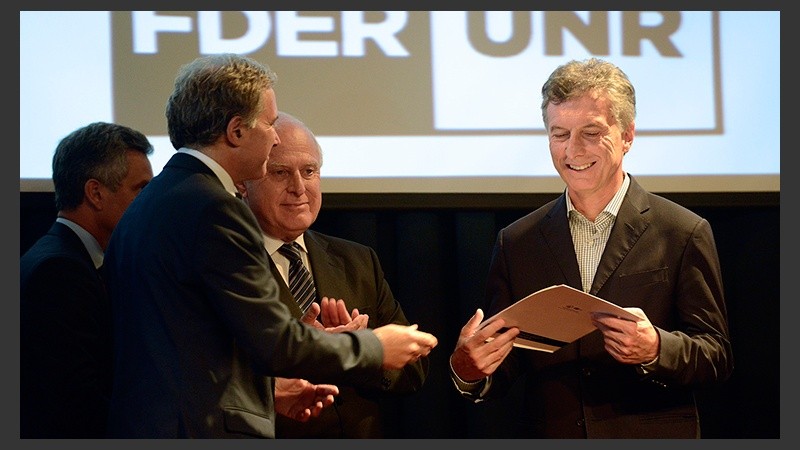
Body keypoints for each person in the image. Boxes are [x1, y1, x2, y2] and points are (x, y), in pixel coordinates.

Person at [102, 53, 438, 438]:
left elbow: (193, 351)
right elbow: (276, 344)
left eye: (309, 171)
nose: (275, 137)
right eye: (270, 124)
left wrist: (266, 395)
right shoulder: (214, 208)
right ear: (236, 131)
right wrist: (374, 346)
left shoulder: (151, 201)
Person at [448, 58, 734, 438]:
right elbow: (506, 364)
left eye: (591, 132)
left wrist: (656, 348)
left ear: (627, 135)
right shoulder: (517, 241)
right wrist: (469, 370)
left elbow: (716, 355)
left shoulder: (682, 231)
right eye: (560, 134)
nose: (573, 150)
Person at [238, 112, 429, 438]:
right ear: (244, 183)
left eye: (309, 171)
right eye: (280, 172)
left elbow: (414, 372)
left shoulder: (358, 260)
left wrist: (363, 350)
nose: (298, 188)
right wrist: (311, 354)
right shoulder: (229, 265)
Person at [20, 122, 154, 438]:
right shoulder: (58, 271)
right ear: (95, 193)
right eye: (141, 190)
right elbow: (75, 403)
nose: (150, 202)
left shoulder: (68, 260)